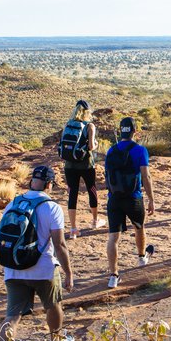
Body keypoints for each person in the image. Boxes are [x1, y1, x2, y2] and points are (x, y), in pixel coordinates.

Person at [0, 165, 74, 341]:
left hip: (13, 268)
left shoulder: (13, 203)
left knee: (12, 316)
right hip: (43, 268)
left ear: (32, 182)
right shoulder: (52, 207)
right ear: (49, 184)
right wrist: (68, 273)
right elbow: (60, 245)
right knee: (53, 305)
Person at [104, 117, 155, 288]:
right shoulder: (140, 150)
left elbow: (107, 175)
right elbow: (146, 176)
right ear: (135, 131)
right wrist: (151, 199)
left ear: (121, 131)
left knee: (113, 237)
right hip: (133, 197)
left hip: (114, 198)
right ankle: (141, 258)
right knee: (139, 226)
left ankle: (113, 276)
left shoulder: (111, 150)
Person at [58, 99, 105, 238]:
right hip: (86, 164)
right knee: (91, 189)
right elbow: (91, 146)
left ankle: (73, 229)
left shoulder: (68, 124)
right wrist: (96, 144)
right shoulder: (89, 126)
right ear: (87, 112)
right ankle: (95, 221)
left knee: (72, 193)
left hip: (69, 165)